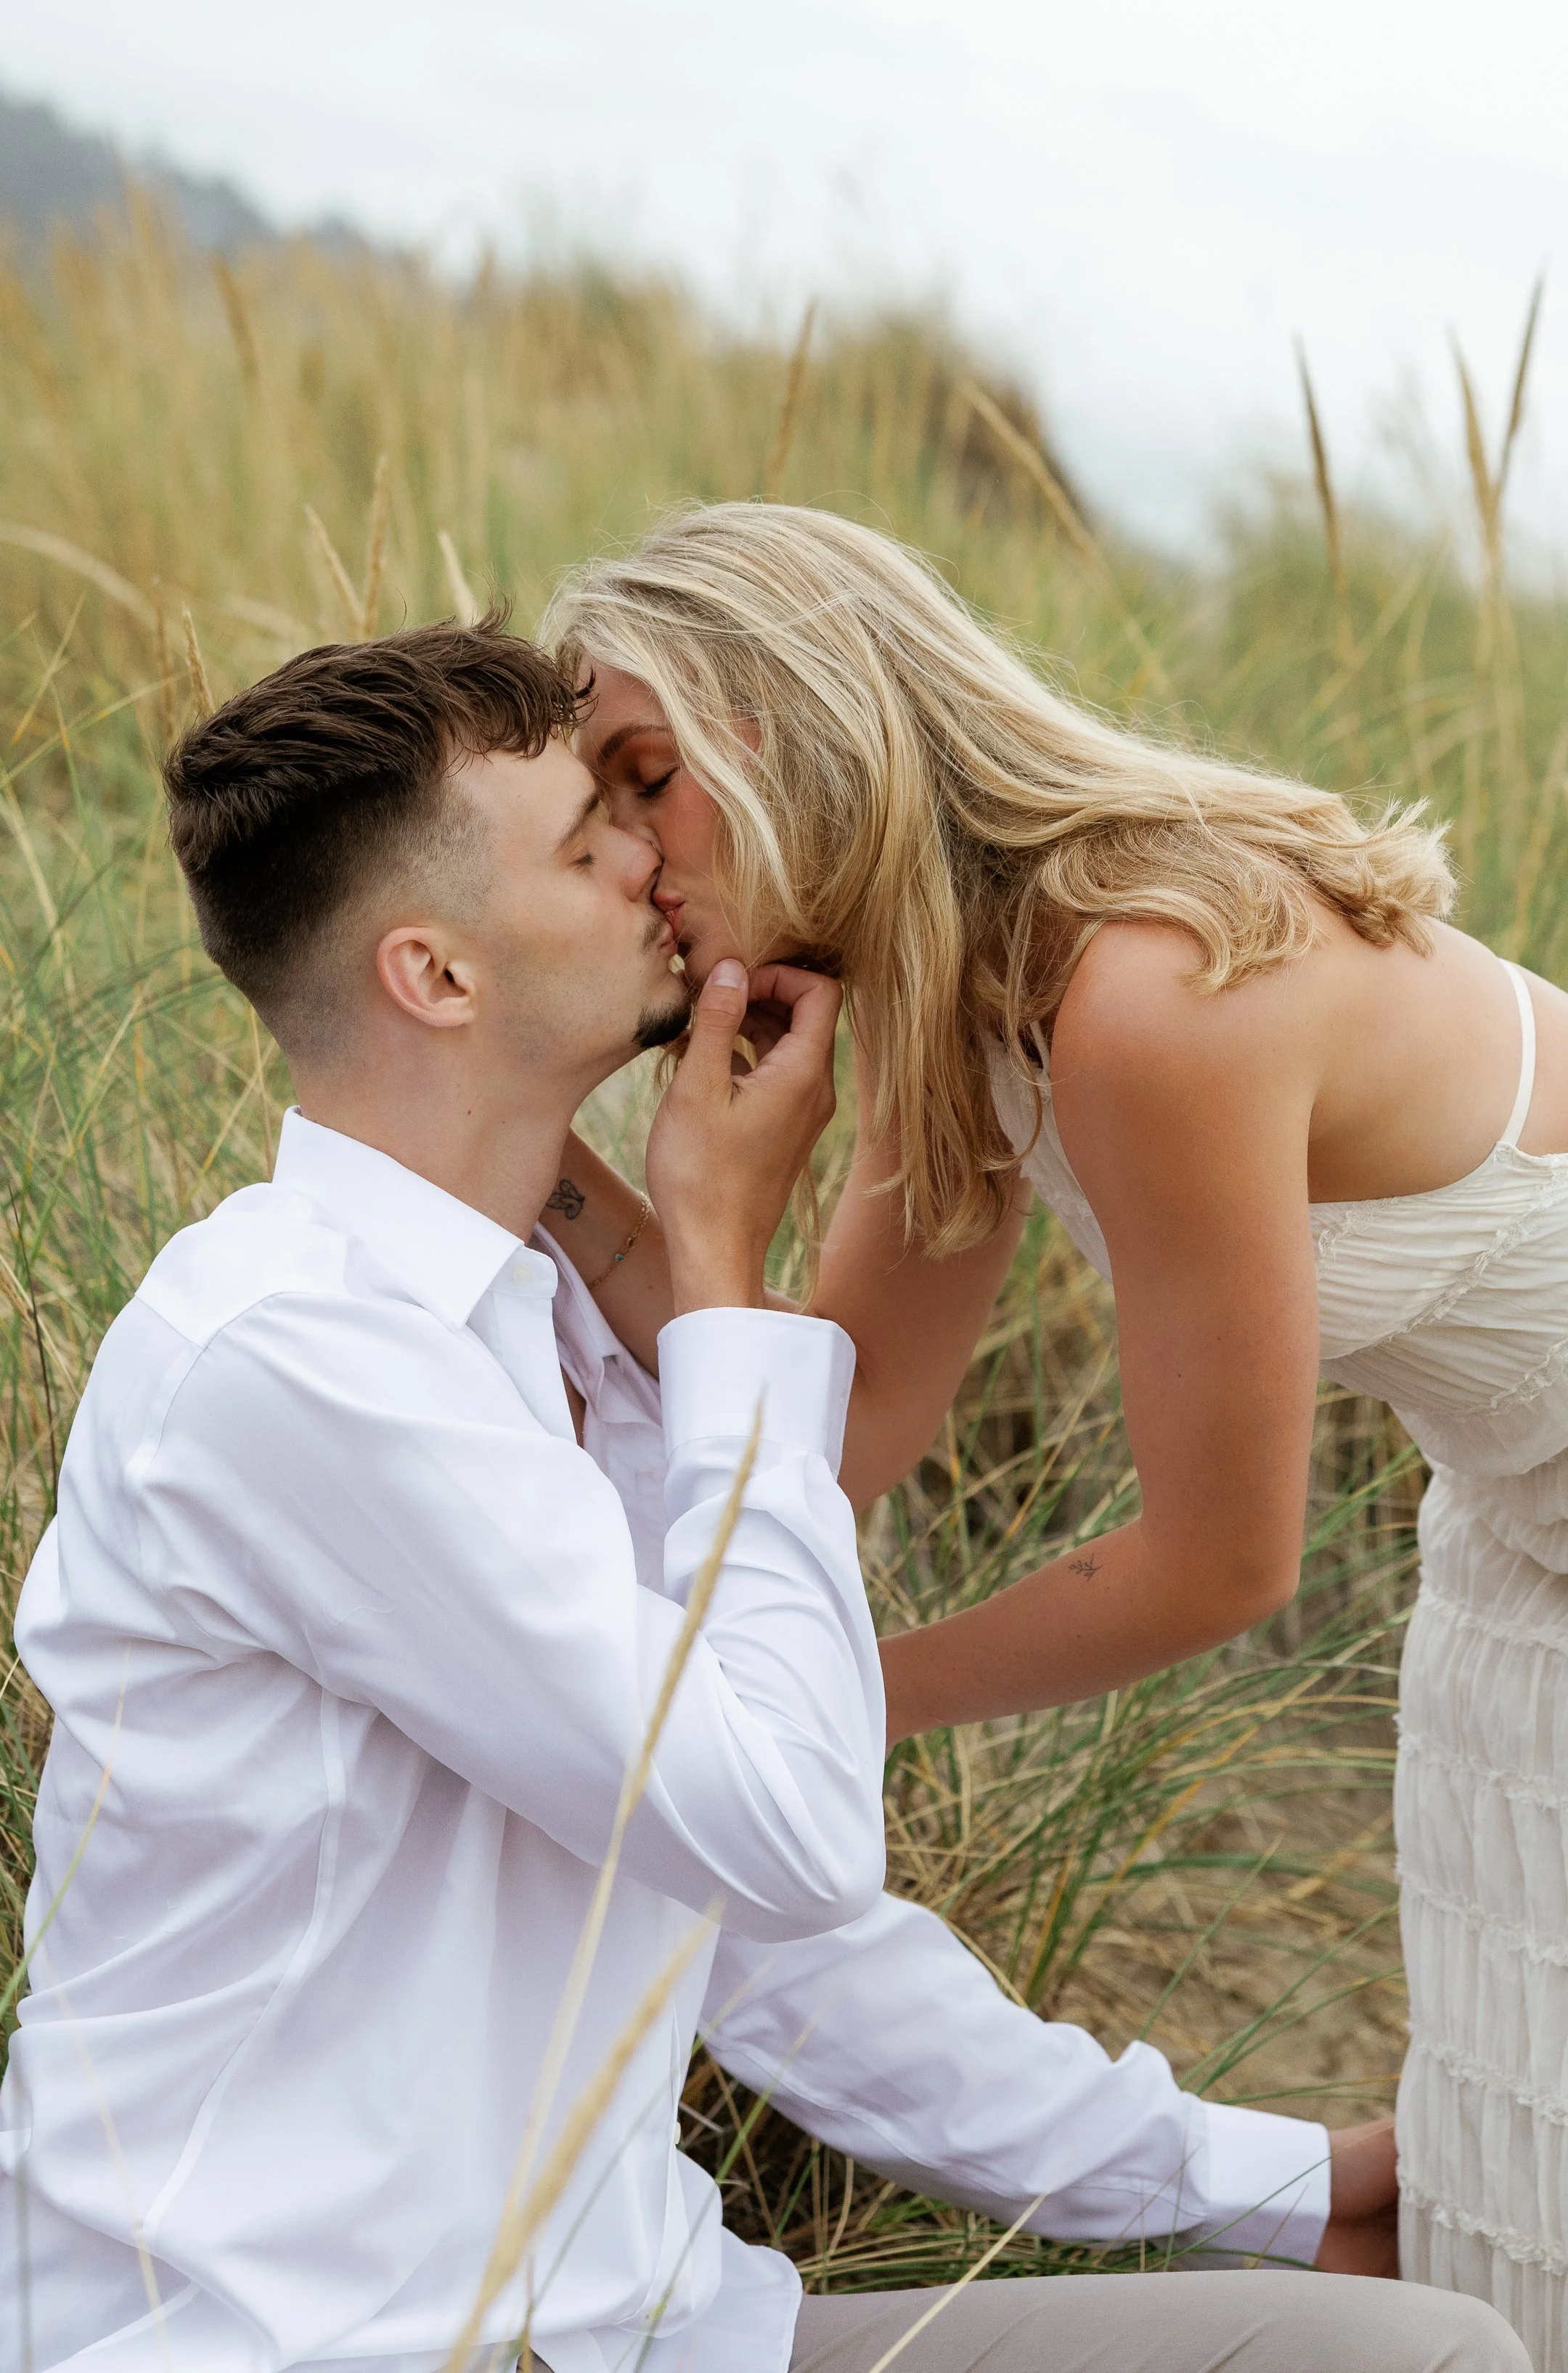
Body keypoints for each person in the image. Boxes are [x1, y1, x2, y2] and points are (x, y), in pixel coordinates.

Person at [0, 622, 1521, 2373]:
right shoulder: (289, 1360)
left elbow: (770, 1938)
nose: (650, 862)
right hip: (286, 2344)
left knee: (1422, 2352)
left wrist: (1268, 2184)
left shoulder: (564, 1329)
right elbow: (793, 1823)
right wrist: (719, 1286)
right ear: (435, 973)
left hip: (663, 2327)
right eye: (587, 841)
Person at [547, 502, 1568, 2371]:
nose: (628, 854)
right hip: (1522, 1532)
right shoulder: (962, 993)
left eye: (645, 776)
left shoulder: (1144, 990)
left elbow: (1219, 1565)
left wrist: (818, 1709)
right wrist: (552, 1155)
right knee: (1518, 2158)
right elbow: (847, 1422)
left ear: (780, 721)